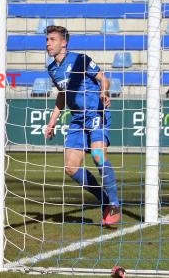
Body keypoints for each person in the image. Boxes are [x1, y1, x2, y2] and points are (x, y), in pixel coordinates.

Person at [44, 25, 121, 226]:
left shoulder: (81, 59)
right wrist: (53, 120)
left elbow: (103, 79)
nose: (48, 44)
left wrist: (104, 92)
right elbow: (63, 94)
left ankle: (114, 203)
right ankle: (104, 201)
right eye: (47, 40)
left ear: (64, 42)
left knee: (98, 156)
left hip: (95, 112)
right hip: (77, 119)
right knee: (70, 168)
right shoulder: (52, 68)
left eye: (52, 39)